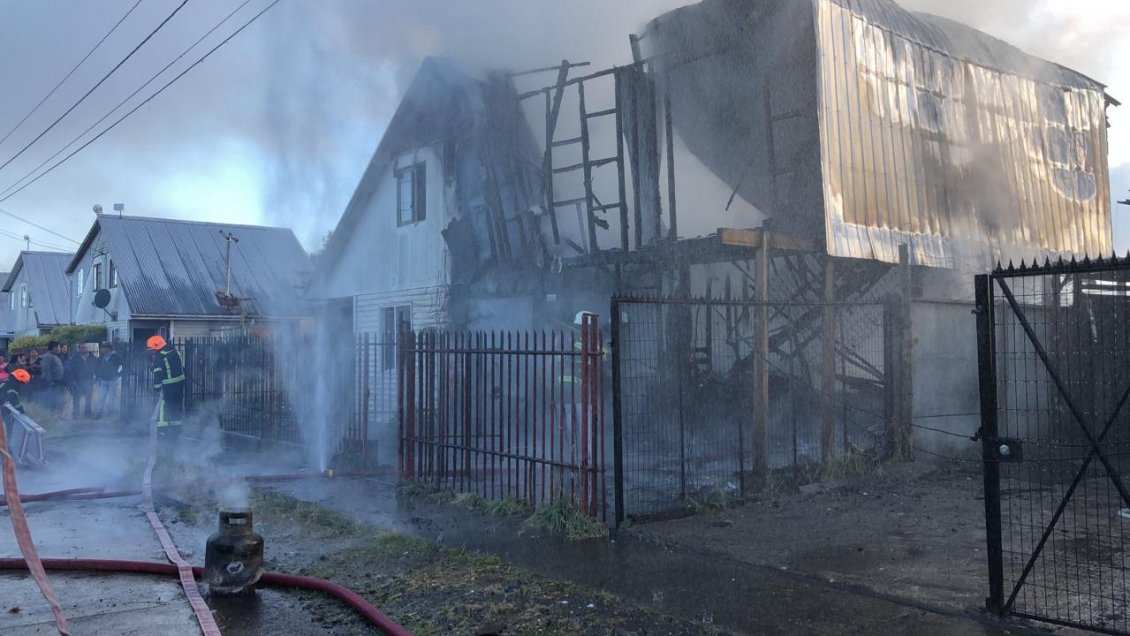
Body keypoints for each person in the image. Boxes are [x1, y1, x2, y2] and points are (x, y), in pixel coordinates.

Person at [149, 335, 185, 438]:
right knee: (176, 407)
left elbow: (158, 375)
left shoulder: (160, 357)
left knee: (163, 407)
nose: (151, 352)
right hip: (179, 385)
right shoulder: (174, 352)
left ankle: (162, 430)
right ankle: (176, 429)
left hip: (168, 387)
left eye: (152, 349)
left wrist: (157, 390)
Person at [1, 369, 31, 451]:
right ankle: (7, 446)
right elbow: (13, 400)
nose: (22, 386)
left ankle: (6, 445)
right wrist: (21, 411)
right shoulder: (12, 384)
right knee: (8, 424)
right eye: (23, 383)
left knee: (7, 421)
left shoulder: (7, 382)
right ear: (20, 380)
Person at [66, 344, 97, 418]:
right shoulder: (74, 358)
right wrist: (72, 380)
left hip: (89, 380)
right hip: (78, 381)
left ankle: (88, 412)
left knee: (88, 398)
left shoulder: (93, 358)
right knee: (76, 398)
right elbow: (71, 370)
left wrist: (96, 378)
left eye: (85, 347)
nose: (84, 349)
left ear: (88, 348)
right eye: (82, 347)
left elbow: (97, 369)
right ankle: (76, 413)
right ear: (79, 349)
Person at [94, 342, 123, 419]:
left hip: (112, 380)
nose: (104, 349)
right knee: (101, 397)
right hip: (103, 380)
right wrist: (98, 376)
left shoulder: (116, 357)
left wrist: (118, 374)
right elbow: (96, 368)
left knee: (112, 398)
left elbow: (124, 365)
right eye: (103, 347)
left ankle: (111, 413)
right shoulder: (101, 357)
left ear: (109, 349)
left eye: (106, 347)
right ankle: (99, 413)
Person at [39, 341, 65, 413]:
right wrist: (50, 381)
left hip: (56, 381)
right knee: (50, 399)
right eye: (59, 347)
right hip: (50, 382)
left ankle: (55, 413)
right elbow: (46, 369)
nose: (60, 349)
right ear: (54, 348)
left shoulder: (55, 356)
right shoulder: (48, 356)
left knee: (56, 399)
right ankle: (50, 414)